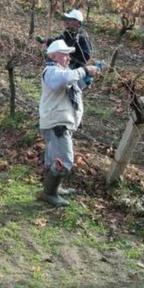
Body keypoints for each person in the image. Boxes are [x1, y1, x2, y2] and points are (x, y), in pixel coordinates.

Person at [37, 40, 102, 207]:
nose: (68, 57)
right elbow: (61, 80)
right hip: (57, 123)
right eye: (64, 54)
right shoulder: (51, 71)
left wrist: (87, 78)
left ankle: (53, 189)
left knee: (55, 160)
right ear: (53, 56)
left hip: (60, 123)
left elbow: (73, 85)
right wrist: (84, 70)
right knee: (65, 161)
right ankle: (49, 193)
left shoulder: (63, 72)